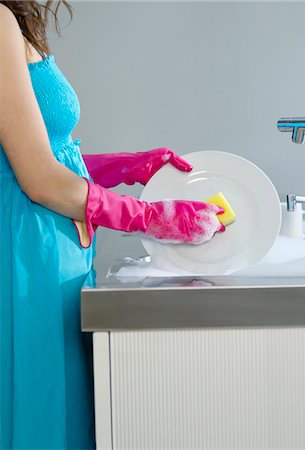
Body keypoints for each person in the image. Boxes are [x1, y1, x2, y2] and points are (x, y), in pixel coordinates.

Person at [0, 1, 225, 449]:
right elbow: (37, 178)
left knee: (58, 405)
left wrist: (125, 166)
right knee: (39, 411)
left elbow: (43, 154)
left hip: (49, 255)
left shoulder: (12, 18)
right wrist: (147, 217)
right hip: (24, 258)